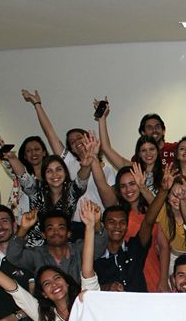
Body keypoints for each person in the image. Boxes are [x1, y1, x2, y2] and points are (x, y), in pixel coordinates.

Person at [20, 89, 116, 228]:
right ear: (70, 148)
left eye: (79, 137)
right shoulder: (69, 163)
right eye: (72, 141)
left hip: (98, 223)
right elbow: (50, 133)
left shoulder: (107, 169)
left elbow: (111, 203)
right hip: (73, 224)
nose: (76, 141)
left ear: (89, 138)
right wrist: (37, 104)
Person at [94, 175, 169, 292]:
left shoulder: (135, 249)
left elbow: (148, 222)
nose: (117, 226)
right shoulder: (95, 255)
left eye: (122, 222)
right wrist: (107, 288)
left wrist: (163, 191)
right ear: (104, 225)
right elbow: (87, 287)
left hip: (141, 307)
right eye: (111, 222)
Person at [0, 98, 49, 218]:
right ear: (25, 156)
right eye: (29, 151)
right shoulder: (18, 173)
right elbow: (3, 151)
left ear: (44, 152)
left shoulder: (55, 175)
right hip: (20, 227)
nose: (33, 153)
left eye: (37, 149)